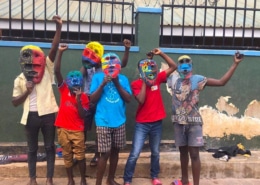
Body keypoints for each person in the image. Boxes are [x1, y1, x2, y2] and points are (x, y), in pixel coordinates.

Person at [167, 52, 244, 185]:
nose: (184, 64)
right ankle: (185, 181)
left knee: (195, 155)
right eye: (181, 62)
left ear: (192, 65)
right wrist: (157, 56)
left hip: (194, 123)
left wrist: (235, 64)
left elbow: (221, 82)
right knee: (183, 153)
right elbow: (153, 76)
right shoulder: (172, 79)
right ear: (177, 66)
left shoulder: (198, 79)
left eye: (187, 62)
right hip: (178, 123)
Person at [11, 15, 62, 185]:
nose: (32, 66)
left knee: (49, 147)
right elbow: (15, 101)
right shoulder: (19, 79)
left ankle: (49, 179)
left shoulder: (47, 69)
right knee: (32, 149)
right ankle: (32, 179)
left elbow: (53, 49)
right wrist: (27, 91)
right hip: (30, 117)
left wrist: (58, 28)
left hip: (47, 114)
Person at [123, 48, 177, 185]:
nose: (151, 71)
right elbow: (141, 100)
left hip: (156, 123)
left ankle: (154, 176)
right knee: (135, 153)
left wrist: (161, 54)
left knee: (155, 152)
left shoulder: (158, 79)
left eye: (153, 68)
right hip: (142, 123)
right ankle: (127, 180)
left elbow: (174, 66)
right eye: (147, 69)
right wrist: (145, 82)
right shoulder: (135, 84)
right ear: (141, 71)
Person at [80, 39, 131, 167]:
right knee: (84, 127)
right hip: (89, 98)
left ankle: (97, 155)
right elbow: (80, 77)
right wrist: (86, 63)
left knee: (100, 129)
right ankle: (80, 154)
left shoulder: (106, 65)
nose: (92, 56)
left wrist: (127, 50)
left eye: (94, 54)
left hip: (102, 102)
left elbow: (122, 64)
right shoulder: (89, 67)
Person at [89, 52, 132, 185]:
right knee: (105, 154)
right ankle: (98, 182)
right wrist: (102, 84)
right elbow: (92, 100)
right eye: (108, 63)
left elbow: (128, 99)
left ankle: (111, 179)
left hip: (119, 121)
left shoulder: (123, 79)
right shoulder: (97, 77)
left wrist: (117, 83)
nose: (111, 66)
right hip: (103, 121)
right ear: (103, 66)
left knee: (115, 152)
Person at [54, 44, 89, 185]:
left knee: (80, 156)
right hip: (62, 127)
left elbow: (82, 115)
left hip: (77, 130)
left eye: (77, 85)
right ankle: (70, 180)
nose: (75, 87)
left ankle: (83, 179)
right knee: (67, 155)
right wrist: (60, 52)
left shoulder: (84, 96)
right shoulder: (63, 90)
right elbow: (56, 71)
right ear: (68, 84)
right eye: (72, 85)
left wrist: (79, 99)